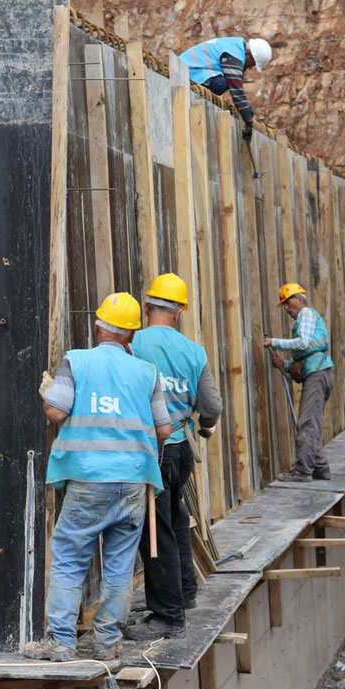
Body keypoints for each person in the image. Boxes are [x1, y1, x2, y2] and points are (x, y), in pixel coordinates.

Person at [24, 292, 173, 662]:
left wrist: (48, 393)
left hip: (90, 479)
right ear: (132, 337)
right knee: (121, 564)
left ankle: (61, 643)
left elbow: (56, 412)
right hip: (135, 484)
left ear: (97, 327)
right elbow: (164, 429)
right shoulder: (146, 372)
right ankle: (108, 644)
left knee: (71, 559)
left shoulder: (77, 361)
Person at [122, 274, 223, 641]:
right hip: (180, 449)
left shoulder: (133, 344)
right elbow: (211, 406)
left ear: (146, 306)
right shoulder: (193, 351)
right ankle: (184, 592)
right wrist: (204, 425)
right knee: (177, 517)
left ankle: (168, 615)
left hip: (151, 450)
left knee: (156, 529)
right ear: (179, 312)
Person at [262, 283, 335, 483]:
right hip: (319, 373)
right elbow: (307, 352)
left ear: (299, 299)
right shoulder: (306, 318)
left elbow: (303, 343)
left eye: (287, 302)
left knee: (307, 423)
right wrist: (284, 365)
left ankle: (303, 471)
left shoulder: (306, 314)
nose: (286, 308)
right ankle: (320, 467)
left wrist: (274, 342)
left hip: (317, 375)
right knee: (313, 424)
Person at [177, 36, 273, 144]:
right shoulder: (234, 56)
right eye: (253, 64)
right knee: (221, 84)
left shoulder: (235, 45)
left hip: (190, 69)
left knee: (225, 82)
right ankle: (198, 102)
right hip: (187, 72)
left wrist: (246, 109)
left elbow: (237, 86)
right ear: (249, 56)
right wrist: (248, 120)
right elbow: (236, 89)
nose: (251, 67)